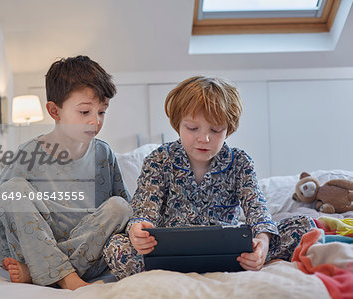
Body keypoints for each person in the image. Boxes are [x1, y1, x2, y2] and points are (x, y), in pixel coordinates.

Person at [103, 76, 315, 280]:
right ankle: (182, 265)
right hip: (169, 250)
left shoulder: (240, 162)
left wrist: (263, 241)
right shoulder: (159, 159)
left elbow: (257, 209)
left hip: (227, 250)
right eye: (192, 128)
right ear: (178, 124)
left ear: (228, 130)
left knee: (305, 225)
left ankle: (246, 260)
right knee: (115, 246)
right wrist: (138, 229)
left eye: (215, 130)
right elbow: (144, 208)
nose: (203, 138)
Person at [0, 55, 132, 290]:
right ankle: (65, 276)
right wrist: (11, 251)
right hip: (37, 248)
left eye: (102, 112)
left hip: (88, 254)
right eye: (85, 112)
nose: (95, 122)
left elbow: (124, 207)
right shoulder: (28, 154)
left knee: (121, 206)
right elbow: (1, 212)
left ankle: (45, 273)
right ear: (55, 111)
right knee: (11, 190)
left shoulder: (103, 153)